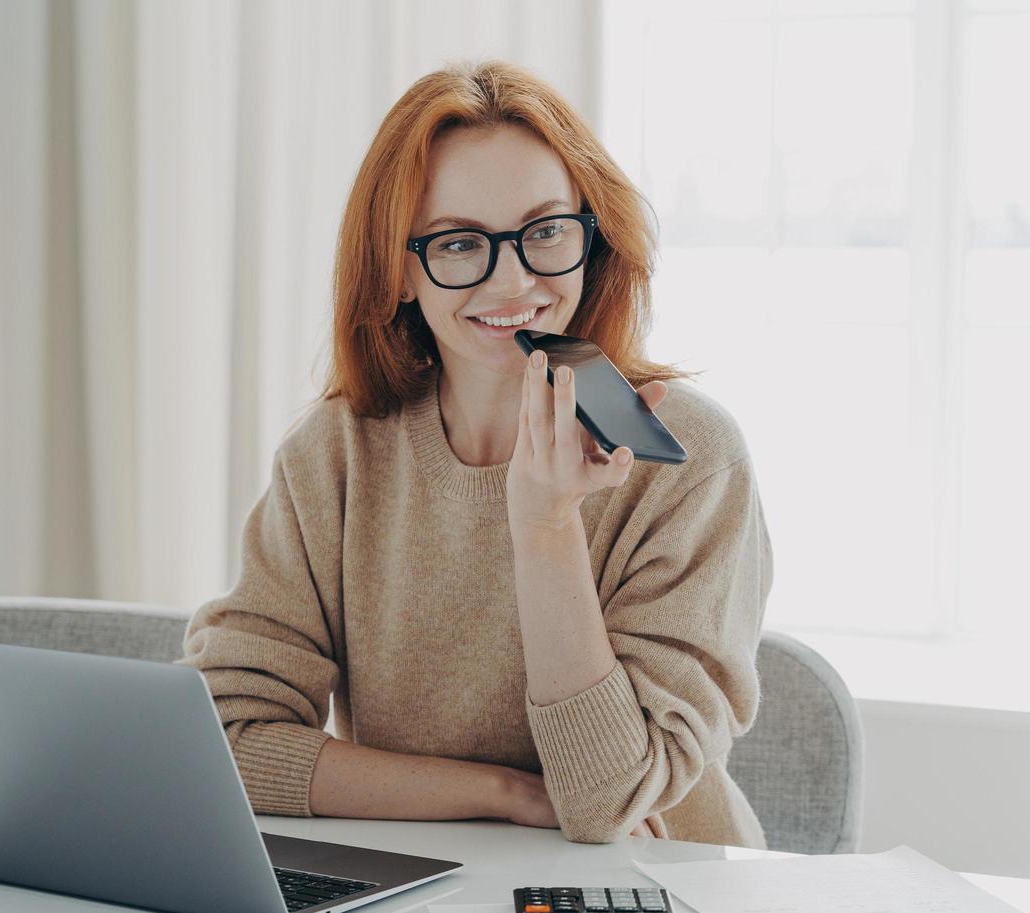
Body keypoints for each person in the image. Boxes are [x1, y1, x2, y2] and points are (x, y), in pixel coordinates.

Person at [175, 59, 772, 847]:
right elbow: (221, 743)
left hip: (659, 911)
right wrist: (504, 795)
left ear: (594, 242)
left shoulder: (689, 459)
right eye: (459, 244)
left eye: (547, 231)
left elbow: (608, 801)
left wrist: (546, 525)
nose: (515, 278)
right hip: (420, 897)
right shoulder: (339, 453)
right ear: (397, 273)